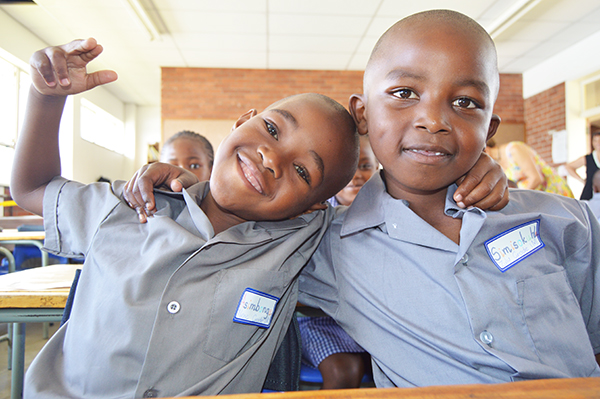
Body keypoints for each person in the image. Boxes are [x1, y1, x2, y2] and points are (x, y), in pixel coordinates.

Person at [139, 9, 600, 388]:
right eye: (404, 93)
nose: (432, 120)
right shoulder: (324, 246)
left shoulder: (559, 220)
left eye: (464, 103)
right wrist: (186, 188)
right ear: (362, 114)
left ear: (489, 130)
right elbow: (231, 224)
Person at [11, 38, 364, 398]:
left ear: (311, 209)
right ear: (242, 121)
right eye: (272, 129)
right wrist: (47, 98)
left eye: (303, 172)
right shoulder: (131, 203)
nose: (272, 158)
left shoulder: (300, 245)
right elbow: (32, 189)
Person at [297, 135, 376, 389]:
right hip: (321, 320)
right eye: (347, 170)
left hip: (372, 320)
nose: (356, 176)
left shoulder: (388, 210)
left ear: (378, 167)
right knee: (344, 372)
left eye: (364, 166)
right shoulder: (313, 214)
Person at [486, 140, 574, 197]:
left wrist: (518, 198)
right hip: (539, 197)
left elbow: (536, 178)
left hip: (554, 192)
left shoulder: (513, 149)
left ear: (485, 149)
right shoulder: (498, 163)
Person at [565, 130, 600, 200]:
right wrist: (582, 180)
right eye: (595, 140)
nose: (598, 143)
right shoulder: (588, 158)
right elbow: (568, 167)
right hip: (589, 196)